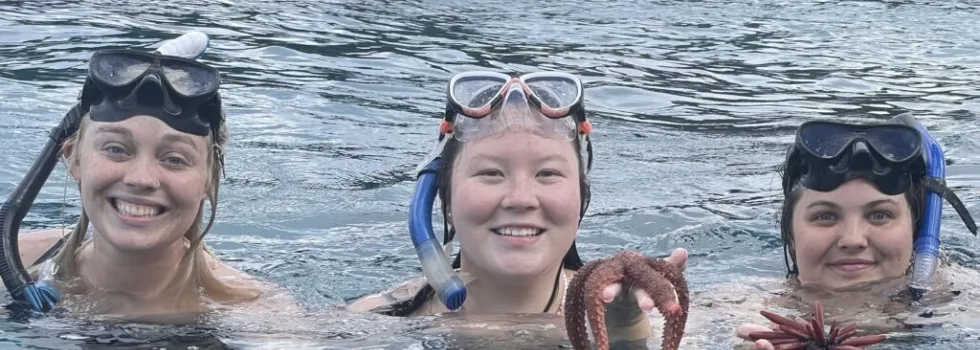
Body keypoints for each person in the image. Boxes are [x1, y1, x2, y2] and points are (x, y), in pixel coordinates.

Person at [347, 71, 690, 346]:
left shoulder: (654, 316)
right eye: (491, 174)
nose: (521, 198)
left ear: (581, 200)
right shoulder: (377, 322)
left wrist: (629, 335)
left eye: (548, 174)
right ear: (446, 201)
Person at [1, 36, 289, 322]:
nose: (142, 179)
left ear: (209, 182)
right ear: (73, 158)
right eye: (116, 150)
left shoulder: (254, 314)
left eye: (174, 159)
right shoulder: (20, 264)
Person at [733, 114, 978, 349]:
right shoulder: (736, 309)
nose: (853, 240)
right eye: (825, 216)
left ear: (914, 230)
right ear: (791, 235)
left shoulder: (968, 302)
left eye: (879, 215)